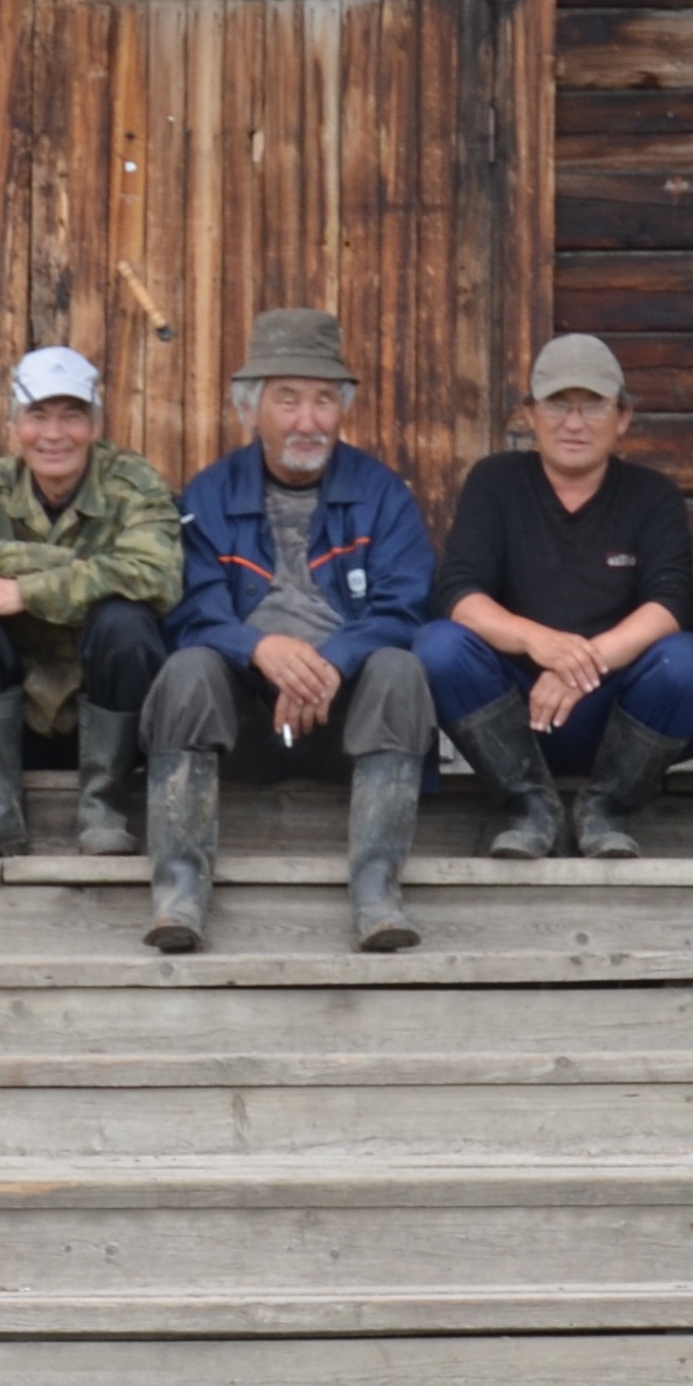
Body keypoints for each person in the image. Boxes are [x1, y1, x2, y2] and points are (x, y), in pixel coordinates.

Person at [143, 307, 438, 954]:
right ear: (250, 409)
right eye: (288, 400)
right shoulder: (209, 494)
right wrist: (261, 649)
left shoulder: (382, 494)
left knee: (400, 667)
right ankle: (180, 890)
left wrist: (331, 662)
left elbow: (405, 609)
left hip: (347, 726)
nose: (309, 421)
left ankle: (377, 890)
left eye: (324, 400)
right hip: (248, 723)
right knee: (187, 670)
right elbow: (192, 613)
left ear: (343, 409)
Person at [421, 335, 693, 860]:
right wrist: (539, 643)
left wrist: (580, 664)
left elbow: (672, 605)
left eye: (593, 405)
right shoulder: (496, 483)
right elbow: (458, 593)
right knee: (438, 647)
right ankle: (529, 805)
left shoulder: (652, 495)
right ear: (530, 414)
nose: (574, 423)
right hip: (515, 709)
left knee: (688, 663)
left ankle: (607, 807)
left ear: (623, 417)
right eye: (558, 404)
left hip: (614, 710)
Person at [0, 344, 184, 861]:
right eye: (38, 415)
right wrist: (75, 567)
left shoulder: (134, 484)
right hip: (17, 721)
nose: (54, 434)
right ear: (15, 424)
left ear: (95, 424)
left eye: (72, 416)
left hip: (106, 722)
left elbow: (156, 578)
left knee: (125, 621)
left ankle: (105, 808)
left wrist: (22, 590)